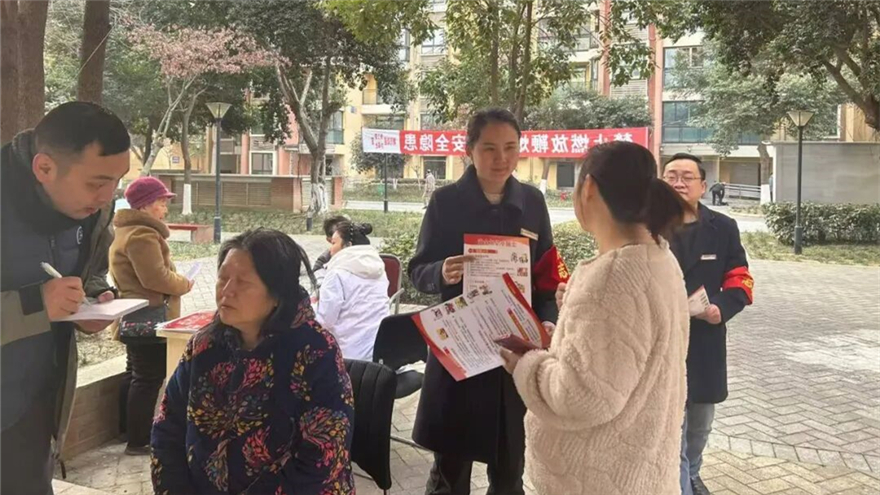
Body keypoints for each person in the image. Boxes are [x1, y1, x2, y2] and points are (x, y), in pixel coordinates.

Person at [500, 141, 691, 495]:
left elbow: (582, 396)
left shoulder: (612, 276)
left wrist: (527, 364)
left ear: (588, 188)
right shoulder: (660, 258)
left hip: (596, 479)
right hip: (642, 472)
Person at [408, 108, 566, 495]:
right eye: (490, 148)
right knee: (450, 475)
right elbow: (417, 270)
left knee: (509, 472)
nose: (501, 158)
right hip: (462, 351)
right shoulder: (446, 202)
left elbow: (546, 276)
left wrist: (547, 320)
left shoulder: (532, 202)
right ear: (470, 150)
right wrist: (441, 271)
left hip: (514, 355)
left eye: (510, 147)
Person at [151, 229, 355, 494]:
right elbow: (168, 427)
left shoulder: (315, 351)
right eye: (223, 278)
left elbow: (324, 454)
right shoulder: (204, 345)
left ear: (277, 294)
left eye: (243, 283)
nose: (226, 291)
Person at [1, 102, 130, 494]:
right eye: (96, 183)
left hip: (31, 407)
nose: (107, 196)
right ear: (44, 168)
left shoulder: (93, 213)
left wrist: (93, 301)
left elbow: (90, 273)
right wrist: (36, 305)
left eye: (117, 182)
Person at [662, 153, 754, 495]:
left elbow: (740, 278)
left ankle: (693, 473)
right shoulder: (644, 225)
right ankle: (679, 482)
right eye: (671, 176)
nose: (678, 183)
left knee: (700, 422)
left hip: (704, 338)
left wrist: (720, 308)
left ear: (703, 186)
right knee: (671, 423)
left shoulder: (723, 228)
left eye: (687, 177)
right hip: (661, 338)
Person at [109, 176, 194, 455]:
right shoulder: (142, 235)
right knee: (147, 378)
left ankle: (126, 430)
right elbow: (155, 278)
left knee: (135, 373)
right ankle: (139, 440)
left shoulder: (126, 231)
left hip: (133, 315)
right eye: (160, 203)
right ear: (144, 205)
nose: (164, 209)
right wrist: (184, 283)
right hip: (148, 316)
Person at [316, 221, 389, 360]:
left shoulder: (337, 274)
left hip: (346, 357)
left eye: (333, 243)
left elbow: (324, 321)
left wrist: (312, 307)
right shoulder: (380, 272)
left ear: (347, 246)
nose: (330, 250)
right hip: (378, 354)